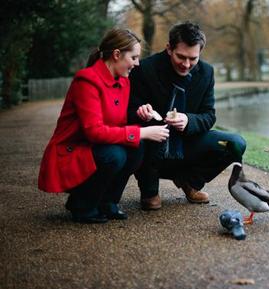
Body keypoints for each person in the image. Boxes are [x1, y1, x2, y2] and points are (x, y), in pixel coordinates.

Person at [38, 28, 170, 223]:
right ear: (116, 54)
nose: (137, 63)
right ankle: (81, 204)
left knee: (136, 148)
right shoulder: (87, 80)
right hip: (72, 151)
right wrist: (142, 132)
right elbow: (94, 132)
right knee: (114, 155)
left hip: (94, 148)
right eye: (133, 57)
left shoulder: (123, 81)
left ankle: (108, 202)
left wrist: (141, 115)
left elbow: (118, 121)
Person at [128, 21, 246, 210]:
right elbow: (128, 112)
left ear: (200, 52)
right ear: (169, 48)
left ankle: (189, 181)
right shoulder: (144, 69)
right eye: (181, 57)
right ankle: (149, 190)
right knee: (151, 204)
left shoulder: (207, 72)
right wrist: (141, 113)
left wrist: (189, 120)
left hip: (187, 144)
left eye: (193, 58)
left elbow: (209, 115)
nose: (186, 64)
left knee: (236, 144)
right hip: (151, 146)